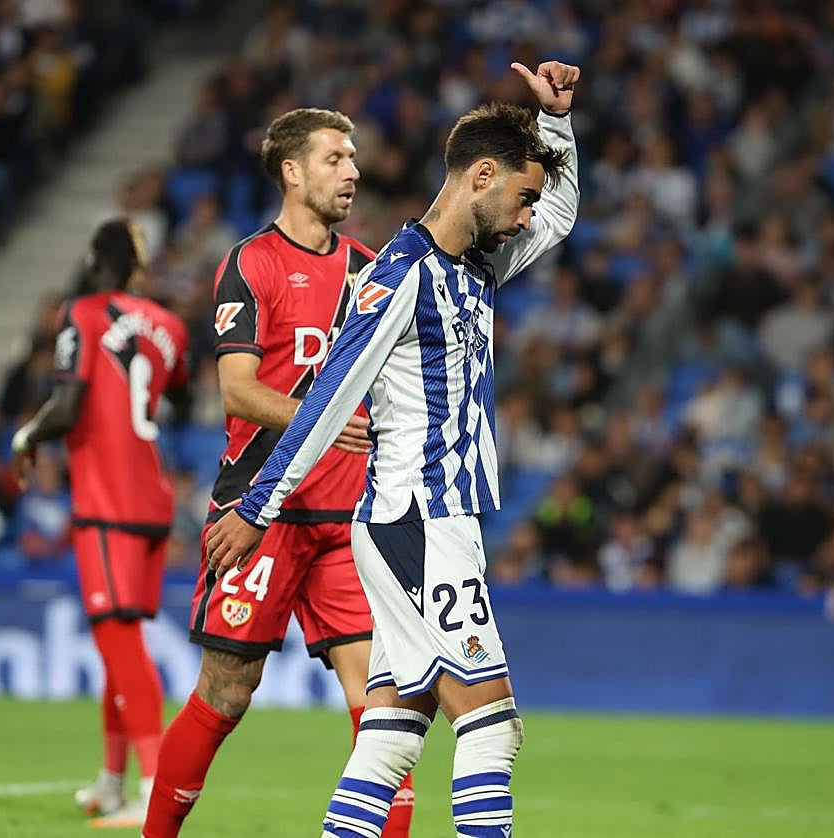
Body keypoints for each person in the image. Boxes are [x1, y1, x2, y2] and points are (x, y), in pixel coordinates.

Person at [205, 60, 580, 837]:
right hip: (419, 521)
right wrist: (256, 507)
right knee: (491, 727)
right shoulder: (398, 277)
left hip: (428, 521)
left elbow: (562, 217)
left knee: (391, 736)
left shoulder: (478, 260)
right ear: (481, 177)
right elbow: (327, 401)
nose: (526, 218)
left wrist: (555, 125)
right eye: (521, 198)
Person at [144, 107, 414, 838]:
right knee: (226, 693)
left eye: (353, 158)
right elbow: (237, 391)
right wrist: (323, 418)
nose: (352, 171)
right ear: (292, 172)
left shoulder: (368, 271)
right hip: (261, 514)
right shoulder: (251, 264)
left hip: (346, 521)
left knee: (385, 715)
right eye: (334, 158)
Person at [11, 218, 190, 828]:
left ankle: (152, 789)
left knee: (120, 643)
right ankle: (113, 782)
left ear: (94, 259)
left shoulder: (82, 312)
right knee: (120, 644)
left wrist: (26, 436)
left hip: (107, 500)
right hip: (152, 497)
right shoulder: (167, 325)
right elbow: (181, 395)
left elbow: (67, 404)